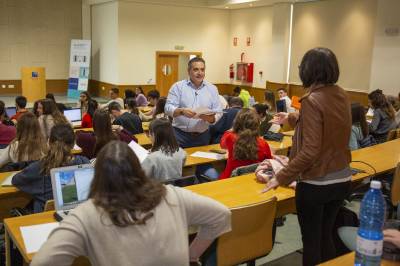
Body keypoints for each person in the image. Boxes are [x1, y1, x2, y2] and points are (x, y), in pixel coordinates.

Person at [31, 141, 231, 266]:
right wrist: (191, 254)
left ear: (97, 177)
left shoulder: (85, 215)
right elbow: (221, 215)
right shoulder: (172, 196)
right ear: (138, 170)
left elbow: (43, 261)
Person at [264, 47, 352, 266]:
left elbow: (310, 150)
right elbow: (327, 126)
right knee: (325, 237)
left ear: (308, 70)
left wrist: (281, 176)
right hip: (342, 178)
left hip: (316, 183)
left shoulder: (311, 100)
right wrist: (294, 117)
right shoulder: (340, 93)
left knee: (312, 243)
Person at [164, 57, 222, 180]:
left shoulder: (212, 89)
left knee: (207, 171)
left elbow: (219, 112)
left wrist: (211, 119)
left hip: (202, 136)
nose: (199, 73)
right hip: (179, 136)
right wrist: (181, 111)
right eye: (196, 69)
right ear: (189, 71)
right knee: (176, 171)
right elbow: (167, 108)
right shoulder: (178, 87)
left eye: (202, 69)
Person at [12, 124, 89, 213]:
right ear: (74, 144)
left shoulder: (40, 167)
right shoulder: (84, 163)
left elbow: (16, 180)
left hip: (45, 220)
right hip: (78, 216)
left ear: (49, 142)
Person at [219, 108, 272, 179]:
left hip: (230, 180)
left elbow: (222, 145)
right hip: (253, 181)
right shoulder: (263, 143)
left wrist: (234, 128)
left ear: (237, 122)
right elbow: (268, 163)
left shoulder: (230, 137)